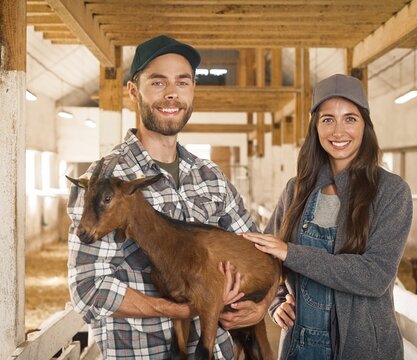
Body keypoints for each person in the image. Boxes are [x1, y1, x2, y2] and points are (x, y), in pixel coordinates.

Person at [67, 35, 268, 359]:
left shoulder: (210, 177)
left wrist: (262, 307)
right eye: (158, 82)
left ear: (192, 91)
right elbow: (88, 288)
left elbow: (259, 247)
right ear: (134, 91)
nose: (172, 93)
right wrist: (184, 309)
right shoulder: (102, 182)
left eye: (182, 82)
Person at [244, 74, 413, 359]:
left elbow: (374, 276)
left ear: (365, 126)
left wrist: (291, 253)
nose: (338, 131)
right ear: (315, 127)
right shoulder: (296, 190)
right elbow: (267, 259)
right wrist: (275, 302)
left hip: (363, 348)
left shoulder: (391, 192)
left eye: (350, 118)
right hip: (301, 344)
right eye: (327, 119)